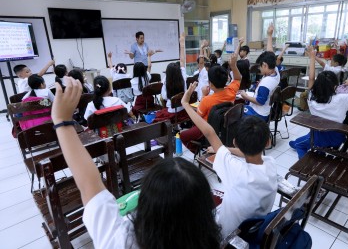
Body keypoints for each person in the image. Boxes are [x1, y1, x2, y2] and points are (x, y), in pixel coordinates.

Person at [50, 76, 221, 249]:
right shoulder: (210, 238)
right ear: (205, 209)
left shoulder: (120, 241)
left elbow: (89, 184)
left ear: (145, 204)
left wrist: (61, 121)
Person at [181, 82, 279, 237]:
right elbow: (244, 151)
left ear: (235, 142)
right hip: (254, 228)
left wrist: (185, 104)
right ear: (267, 142)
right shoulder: (271, 164)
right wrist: (223, 150)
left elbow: (209, 132)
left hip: (226, 234)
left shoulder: (236, 170)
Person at [289, 46, 348, 159]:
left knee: (299, 144)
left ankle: (305, 168)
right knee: (306, 140)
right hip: (338, 137)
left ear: (317, 85)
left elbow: (311, 78)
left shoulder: (311, 97)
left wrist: (312, 58)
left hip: (318, 136)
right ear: (335, 86)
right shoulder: (342, 99)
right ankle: (315, 150)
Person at [180, 53, 242, 153]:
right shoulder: (231, 90)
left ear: (211, 84)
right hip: (226, 129)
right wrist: (234, 66)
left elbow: (197, 117)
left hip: (208, 129)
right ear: (226, 79)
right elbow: (238, 78)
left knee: (182, 135)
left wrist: (204, 95)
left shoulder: (207, 100)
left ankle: (197, 150)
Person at [153, 33, 187, 123]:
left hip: (172, 111)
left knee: (156, 116)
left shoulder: (165, 82)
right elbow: (182, 61)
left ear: (167, 73)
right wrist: (182, 45)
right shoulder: (184, 77)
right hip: (183, 109)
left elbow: (163, 97)